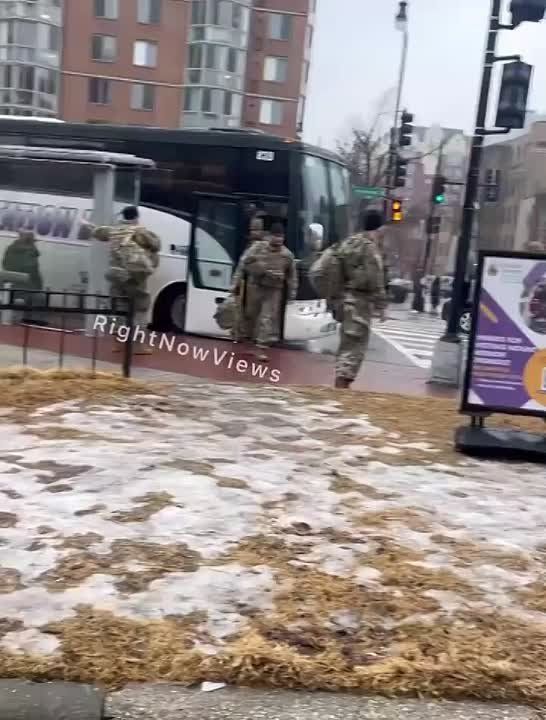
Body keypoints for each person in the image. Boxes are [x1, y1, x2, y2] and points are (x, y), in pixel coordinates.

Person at [92, 206, 160, 354]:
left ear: (123, 216)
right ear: (136, 217)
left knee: (117, 309)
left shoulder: (115, 230)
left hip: (116, 276)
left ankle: (117, 344)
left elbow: (98, 233)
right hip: (134, 277)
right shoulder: (140, 231)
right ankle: (141, 346)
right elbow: (156, 245)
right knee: (140, 309)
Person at [334, 209, 387, 389]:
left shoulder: (348, 243)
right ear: (377, 227)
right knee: (354, 350)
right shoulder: (370, 248)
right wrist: (381, 305)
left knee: (346, 346)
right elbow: (375, 278)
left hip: (345, 299)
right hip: (361, 303)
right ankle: (341, 390)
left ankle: (340, 387)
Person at [231, 221, 298, 361]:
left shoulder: (287, 255)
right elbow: (242, 264)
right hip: (255, 287)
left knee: (267, 319)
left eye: (281, 236)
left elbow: (292, 276)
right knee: (250, 316)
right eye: (276, 236)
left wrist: (292, 293)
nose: (278, 239)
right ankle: (247, 341)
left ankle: (261, 348)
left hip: (273, 291)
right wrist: (235, 284)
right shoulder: (257, 248)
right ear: (270, 236)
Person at [2, 230, 44, 324]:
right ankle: (34, 324)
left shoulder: (10, 249)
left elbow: (5, 265)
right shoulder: (30, 252)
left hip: (10, 286)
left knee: (37, 297)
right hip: (24, 288)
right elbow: (32, 271)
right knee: (40, 298)